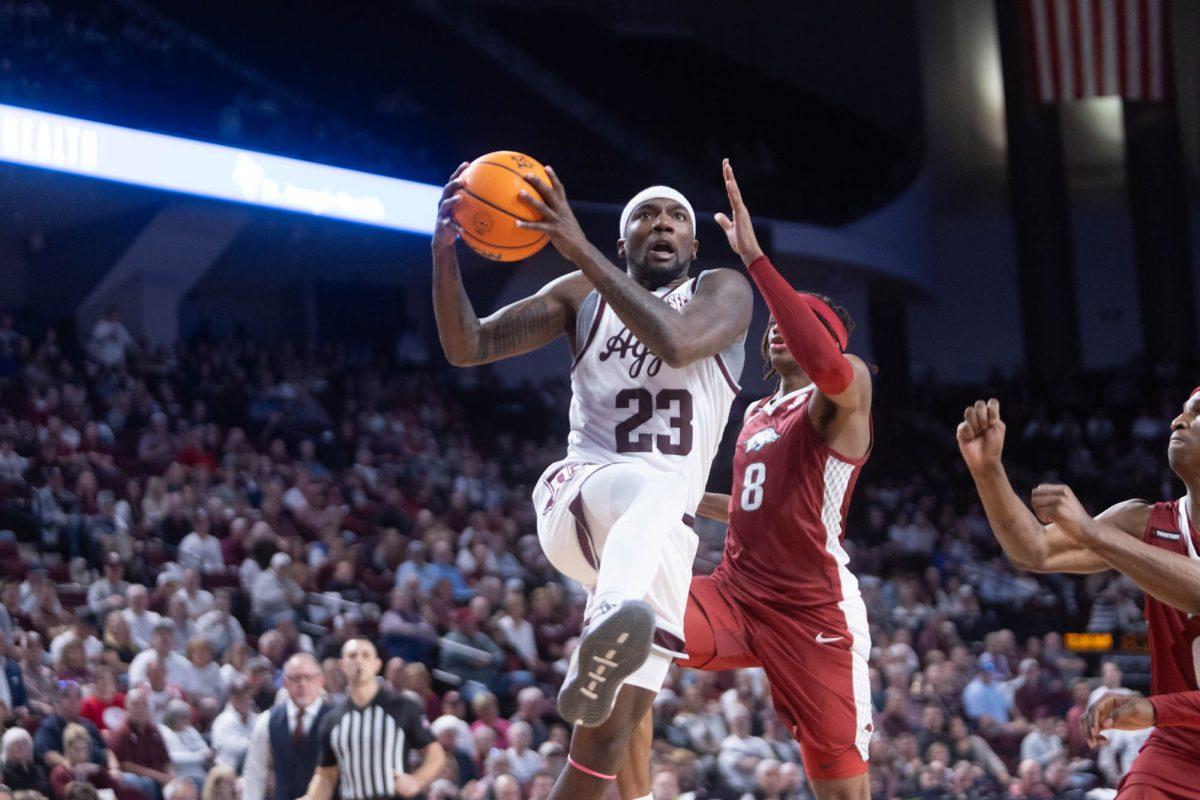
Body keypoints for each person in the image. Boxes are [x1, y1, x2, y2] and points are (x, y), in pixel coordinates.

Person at [433, 155, 752, 800]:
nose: (661, 224)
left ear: (693, 243)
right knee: (657, 481)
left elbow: (679, 343)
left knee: (607, 744)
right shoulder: (579, 294)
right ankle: (607, 621)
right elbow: (466, 345)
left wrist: (576, 247)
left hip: (658, 542)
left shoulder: (724, 292)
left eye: (675, 218)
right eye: (644, 215)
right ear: (621, 239)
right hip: (581, 497)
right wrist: (443, 252)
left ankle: (608, 645)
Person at [620, 160, 874, 800]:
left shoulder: (847, 391)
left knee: (840, 790)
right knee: (622, 631)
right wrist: (668, 492)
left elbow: (827, 365)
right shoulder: (757, 412)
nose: (781, 330)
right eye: (782, 324)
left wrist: (756, 261)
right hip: (738, 593)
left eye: (803, 322)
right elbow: (752, 508)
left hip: (813, 611)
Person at [956, 386, 1200, 798]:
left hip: (1167, 715)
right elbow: (1033, 549)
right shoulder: (1144, 521)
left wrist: (1094, 534)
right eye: (1180, 412)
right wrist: (988, 472)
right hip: (1176, 747)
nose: (1178, 421)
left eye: (1197, 412)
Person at [298, 637, 444, 800]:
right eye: (352, 656)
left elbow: (435, 754)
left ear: (377, 664)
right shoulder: (332, 720)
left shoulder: (402, 707)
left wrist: (417, 780)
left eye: (366, 655)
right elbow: (326, 775)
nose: (359, 660)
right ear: (342, 665)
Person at [242, 653, 329, 800]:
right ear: (285, 683)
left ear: (320, 681)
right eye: (295, 678)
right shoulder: (268, 720)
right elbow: (255, 772)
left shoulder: (336, 720)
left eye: (308, 677)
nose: (302, 683)